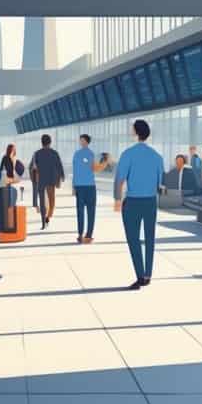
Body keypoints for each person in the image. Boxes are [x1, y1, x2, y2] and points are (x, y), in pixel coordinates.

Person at [114, 119, 164, 289]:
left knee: (133, 239)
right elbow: (160, 184)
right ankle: (148, 274)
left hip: (133, 202)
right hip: (150, 202)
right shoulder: (157, 156)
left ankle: (140, 275)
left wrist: (117, 200)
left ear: (136, 132)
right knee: (150, 238)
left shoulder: (128, 154)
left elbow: (120, 179)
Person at [73, 134, 108, 244]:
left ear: (87, 142)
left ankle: (89, 234)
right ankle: (80, 233)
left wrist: (105, 162)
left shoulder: (92, 154)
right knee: (80, 211)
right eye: (80, 140)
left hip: (90, 186)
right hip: (80, 186)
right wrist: (74, 186)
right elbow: (75, 171)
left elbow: (96, 168)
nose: (81, 142)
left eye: (83, 140)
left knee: (91, 211)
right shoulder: (77, 154)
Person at [30, 134, 65, 230]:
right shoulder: (54, 153)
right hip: (51, 179)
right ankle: (47, 218)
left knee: (42, 201)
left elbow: (33, 167)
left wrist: (34, 179)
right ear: (50, 142)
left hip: (41, 179)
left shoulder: (36, 153)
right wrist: (62, 176)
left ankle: (43, 222)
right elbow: (59, 165)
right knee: (51, 201)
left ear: (42, 142)